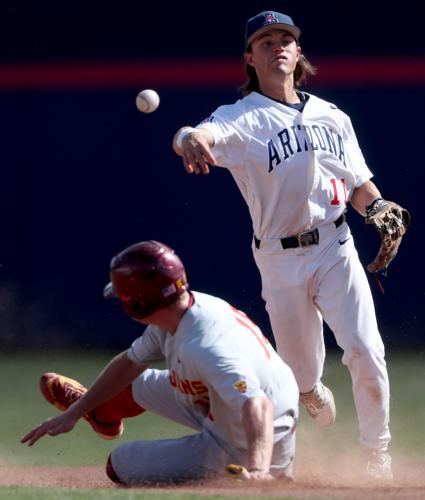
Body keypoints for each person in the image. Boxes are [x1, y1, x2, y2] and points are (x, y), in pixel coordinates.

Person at [172, 10, 403, 481]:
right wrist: (188, 137)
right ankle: (310, 387)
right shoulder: (242, 117)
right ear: (250, 59)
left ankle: (377, 453)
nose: (277, 45)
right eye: (265, 41)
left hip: (336, 247)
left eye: (285, 39)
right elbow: (201, 134)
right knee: (297, 373)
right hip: (279, 258)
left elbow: (359, 183)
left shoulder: (333, 116)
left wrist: (378, 207)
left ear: (299, 53)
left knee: (365, 349)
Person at [21, 240, 299, 485]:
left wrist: (259, 468)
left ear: (137, 305)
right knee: (135, 381)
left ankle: (245, 468)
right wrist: (75, 412)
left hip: (251, 441)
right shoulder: (184, 310)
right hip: (225, 403)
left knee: (118, 465)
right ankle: (98, 414)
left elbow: (258, 403)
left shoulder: (205, 347)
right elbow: (129, 364)